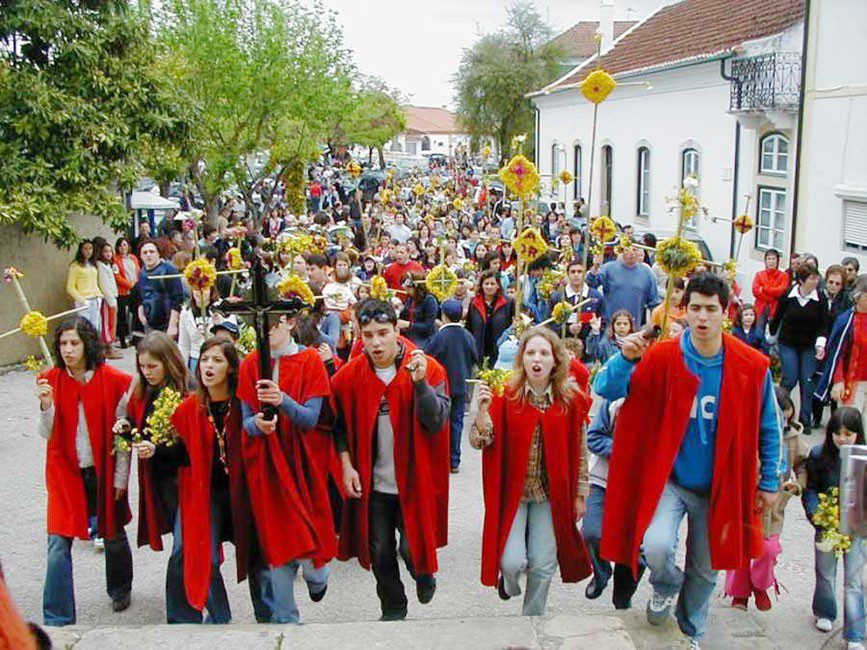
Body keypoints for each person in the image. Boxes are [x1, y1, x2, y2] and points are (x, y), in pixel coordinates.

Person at [594, 273, 782, 648]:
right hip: (671, 481)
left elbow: (769, 427)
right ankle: (664, 584)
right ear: (686, 310)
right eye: (695, 308)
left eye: (711, 309)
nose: (702, 317)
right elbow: (606, 389)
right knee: (657, 545)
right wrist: (624, 359)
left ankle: (691, 630)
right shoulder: (663, 357)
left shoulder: (750, 366)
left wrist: (770, 483)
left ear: (725, 312)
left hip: (719, 485)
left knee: (705, 568)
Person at [171, 338, 319, 624]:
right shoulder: (190, 407)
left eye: (217, 360)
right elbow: (177, 452)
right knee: (205, 557)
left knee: (258, 557)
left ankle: (268, 616)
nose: (208, 367)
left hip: (247, 489)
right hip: (210, 493)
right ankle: (220, 619)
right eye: (204, 360)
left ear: (230, 368)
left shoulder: (244, 404)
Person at [331, 299, 450, 621]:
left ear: (397, 330)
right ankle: (393, 607)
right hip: (375, 484)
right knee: (380, 550)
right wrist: (346, 464)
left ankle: (423, 573)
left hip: (414, 479)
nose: (375, 342)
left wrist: (420, 383)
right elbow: (336, 424)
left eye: (383, 333)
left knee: (412, 548)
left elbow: (436, 419)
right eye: (367, 334)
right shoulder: (348, 377)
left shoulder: (428, 367)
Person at [470, 327, 592, 616]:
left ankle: (533, 619)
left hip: (550, 494)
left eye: (544, 353)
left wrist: (580, 494)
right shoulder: (505, 395)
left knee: (543, 562)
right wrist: (482, 413)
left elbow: (581, 451)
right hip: (515, 493)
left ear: (555, 360)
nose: (537, 359)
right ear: (521, 358)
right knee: (512, 562)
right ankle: (509, 584)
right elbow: (479, 442)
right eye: (531, 352)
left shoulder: (569, 400)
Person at [35, 316, 133, 626]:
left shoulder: (114, 380)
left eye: (74, 342)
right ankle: (57, 616)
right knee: (57, 543)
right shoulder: (49, 379)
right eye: (63, 343)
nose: (67, 349)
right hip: (66, 473)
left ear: (87, 344)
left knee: (113, 532)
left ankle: (120, 587)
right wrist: (46, 406)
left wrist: (119, 479)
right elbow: (47, 433)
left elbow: (123, 436)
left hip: (101, 470)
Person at [236, 310, 335, 611]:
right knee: (277, 548)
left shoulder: (309, 361)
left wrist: (283, 401)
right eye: (258, 326)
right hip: (269, 466)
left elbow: (310, 418)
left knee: (313, 558)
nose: (264, 331)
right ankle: (285, 623)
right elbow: (245, 421)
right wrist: (258, 425)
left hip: (303, 464)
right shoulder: (251, 363)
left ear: (290, 323)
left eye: (272, 324)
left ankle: (318, 577)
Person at [724, 387, 806, 612]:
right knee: (741, 550)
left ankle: (760, 584)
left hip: (774, 510)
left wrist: (797, 485)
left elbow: (803, 466)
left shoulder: (792, 438)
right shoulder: (749, 435)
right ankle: (739, 595)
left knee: (768, 550)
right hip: (746, 506)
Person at [802, 407, 866, 648]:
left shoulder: (864, 458)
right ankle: (825, 612)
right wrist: (816, 512)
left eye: (848, 433)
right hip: (827, 522)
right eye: (837, 433)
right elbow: (811, 489)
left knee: (854, 580)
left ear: (858, 434)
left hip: (858, 527)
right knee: (825, 572)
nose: (842, 438)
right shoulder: (818, 455)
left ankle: (856, 633)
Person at [581, 397, 644, 609]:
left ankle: (622, 598)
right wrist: (624, 449)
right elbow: (594, 437)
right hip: (603, 480)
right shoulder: (615, 397)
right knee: (591, 532)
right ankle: (601, 573)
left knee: (635, 547)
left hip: (642, 488)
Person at [769, 262, 830, 430]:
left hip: (809, 345)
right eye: (812, 278)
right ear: (801, 280)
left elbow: (823, 324)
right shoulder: (788, 295)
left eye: (817, 278)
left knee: (807, 380)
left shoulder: (820, 298)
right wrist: (770, 336)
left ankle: (805, 419)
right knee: (790, 377)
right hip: (788, 343)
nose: (816, 281)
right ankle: (779, 411)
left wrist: (820, 345)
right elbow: (777, 317)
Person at [426, 299, 479, 473]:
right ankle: (454, 460)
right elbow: (475, 357)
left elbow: (429, 356)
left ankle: (441, 457)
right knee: (457, 422)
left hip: (443, 386)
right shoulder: (467, 335)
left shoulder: (440, 336)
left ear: (444, 316)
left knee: (441, 422)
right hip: (461, 385)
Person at [815, 274, 867, 416]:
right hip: (853, 383)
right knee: (852, 428)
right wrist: (838, 381)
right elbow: (837, 354)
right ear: (858, 296)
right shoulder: (846, 320)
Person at [587, 246, 658, 326]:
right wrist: (595, 268)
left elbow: (654, 302)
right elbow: (591, 284)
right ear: (622, 251)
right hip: (609, 325)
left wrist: (656, 324)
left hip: (633, 326)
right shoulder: (608, 268)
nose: (631, 253)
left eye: (634, 249)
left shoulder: (647, 273)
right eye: (627, 249)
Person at [465, 270, 515, 368]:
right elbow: (469, 327)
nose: (489, 287)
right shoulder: (474, 303)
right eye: (486, 284)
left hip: (499, 350)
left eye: (492, 284)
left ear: (498, 285)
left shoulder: (508, 303)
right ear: (481, 285)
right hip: (479, 350)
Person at [137, 241, 184, 338]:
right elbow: (139, 295)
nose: (148, 255)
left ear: (158, 253)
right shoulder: (141, 272)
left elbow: (178, 298)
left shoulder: (169, 270)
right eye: (145, 253)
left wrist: (173, 324)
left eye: (151, 252)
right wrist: (141, 314)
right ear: (141, 256)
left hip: (167, 323)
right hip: (149, 324)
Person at [549, 260, 602, 341]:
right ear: (568, 274)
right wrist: (568, 329)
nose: (576, 275)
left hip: (588, 345)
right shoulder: (557, 297)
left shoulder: (595, 296)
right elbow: (550, 325)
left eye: (580, 272)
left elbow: (602, 321)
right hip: (563, 343)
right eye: (573, 272)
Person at [178, 286, 218, 372]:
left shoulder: (221, 308)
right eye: (196, 289)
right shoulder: (185, 312)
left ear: (211, 290)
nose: (200, 292)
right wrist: (182, 370)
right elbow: (184, 345)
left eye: (204, 289)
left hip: (216, 358)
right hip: (195, 361)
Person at [66, 239, 103, 334]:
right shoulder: (75, 266)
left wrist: (99, 295)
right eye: (85, 248)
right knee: (85, 328)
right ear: (81, 250)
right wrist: (82, 300)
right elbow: (70, 287)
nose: (88, 251)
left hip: (95, 299)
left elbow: (94, 282)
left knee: (96, 327)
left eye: (90, 248)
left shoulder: (93, 265)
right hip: (84, 301)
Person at [93, 238, 122, 359]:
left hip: (113, 298)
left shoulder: (108, 265)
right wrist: (111, 302)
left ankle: (111, 346)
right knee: (107, 325)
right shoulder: (100, 266)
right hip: (108, 301)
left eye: (110, 251)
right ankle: (108, 348)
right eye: (105, 251)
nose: (108, 254)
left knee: (113, 323)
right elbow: (104, 285)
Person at [751, 249, 790, 331]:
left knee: (773, 333)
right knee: (758, 332)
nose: (771, 261)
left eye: (773, 259)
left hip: (776, 308)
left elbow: (781, 291)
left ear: (777, 261)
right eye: (769, 259)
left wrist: (764, 289)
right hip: (760, 307)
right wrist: (772, 295)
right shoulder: (759, 275)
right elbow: (755, 291)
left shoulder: (784, 276)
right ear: (765, 261)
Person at [398, 271, 438, 348]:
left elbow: (428, 327)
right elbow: (404, 316)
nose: (406, 291)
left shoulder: (429, 300)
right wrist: (399, 310)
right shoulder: (410, 299)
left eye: (408, 289)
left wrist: (408, 325)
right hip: (410, 335)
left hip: (424, 338)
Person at [113, 237, 141, 348]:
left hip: (135, 290)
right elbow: (117, 276)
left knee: (136, 314)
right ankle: (123, 339)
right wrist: (130, 285)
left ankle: (135, 337)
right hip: (123, 291)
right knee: (122, 316)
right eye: (121, 246)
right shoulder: (115, 259)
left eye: (125, 245)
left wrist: (137, 284)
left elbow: (138, 271)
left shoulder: (133, 258)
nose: (123, 248)